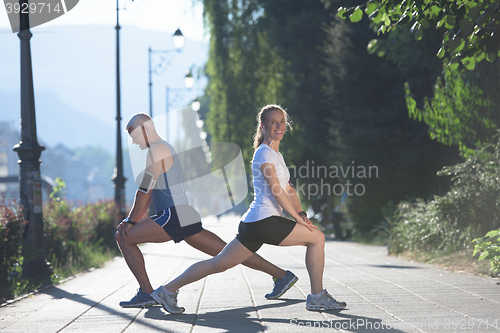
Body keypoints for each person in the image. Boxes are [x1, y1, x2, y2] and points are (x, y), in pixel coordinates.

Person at [151, 105, 347, 313]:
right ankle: (317, 296)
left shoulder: (275, 155)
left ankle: (167, 290)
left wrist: (301, 214)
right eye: (273, 122)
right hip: (264, 221)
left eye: (282, 121)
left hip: (253, 223)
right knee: (317, 238)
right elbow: (276, 190)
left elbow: (289, 190)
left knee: (218, 263)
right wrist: (295, 219)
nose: (279, 126)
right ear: (263, 126)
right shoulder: (263, 154)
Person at [115, 113, 298, 308]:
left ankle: (147, 293)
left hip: (172, 215)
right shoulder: (165, 147)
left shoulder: (156, 151)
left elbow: (144, 192)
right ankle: (281, 275)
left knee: (123, 237)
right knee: (228, 253)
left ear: (144, 130)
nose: (133, 142)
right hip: (183, 213)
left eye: (134, 136)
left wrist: (130, 221)